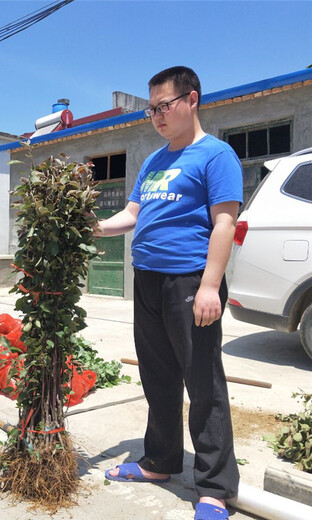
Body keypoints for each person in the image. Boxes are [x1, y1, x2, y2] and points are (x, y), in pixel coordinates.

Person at [94, 66, 243, 520]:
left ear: (191, 100)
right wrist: (91, 225)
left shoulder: (215, 156)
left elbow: (225, 222)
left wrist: (210, 286)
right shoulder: (155, 161)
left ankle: (215, 488)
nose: (156, 115)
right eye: (151, 109)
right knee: (157, 376)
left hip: (189, 281)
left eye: (164, 106)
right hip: (149, 280)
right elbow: (132, 214)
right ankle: (159, 461)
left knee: (203, 383)